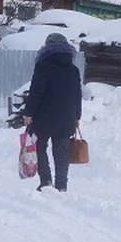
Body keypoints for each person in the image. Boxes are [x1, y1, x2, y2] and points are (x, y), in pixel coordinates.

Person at [22, 32, 82, 192]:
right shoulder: (74, 70)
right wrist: (77, 116)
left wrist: (28, 113)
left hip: (44, 117)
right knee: (61, 151)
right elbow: (77, 94)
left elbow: (36, 92)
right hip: (66, 118)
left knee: (39, 147)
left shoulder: (43, 66)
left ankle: (46, 180)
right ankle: (62, 185)